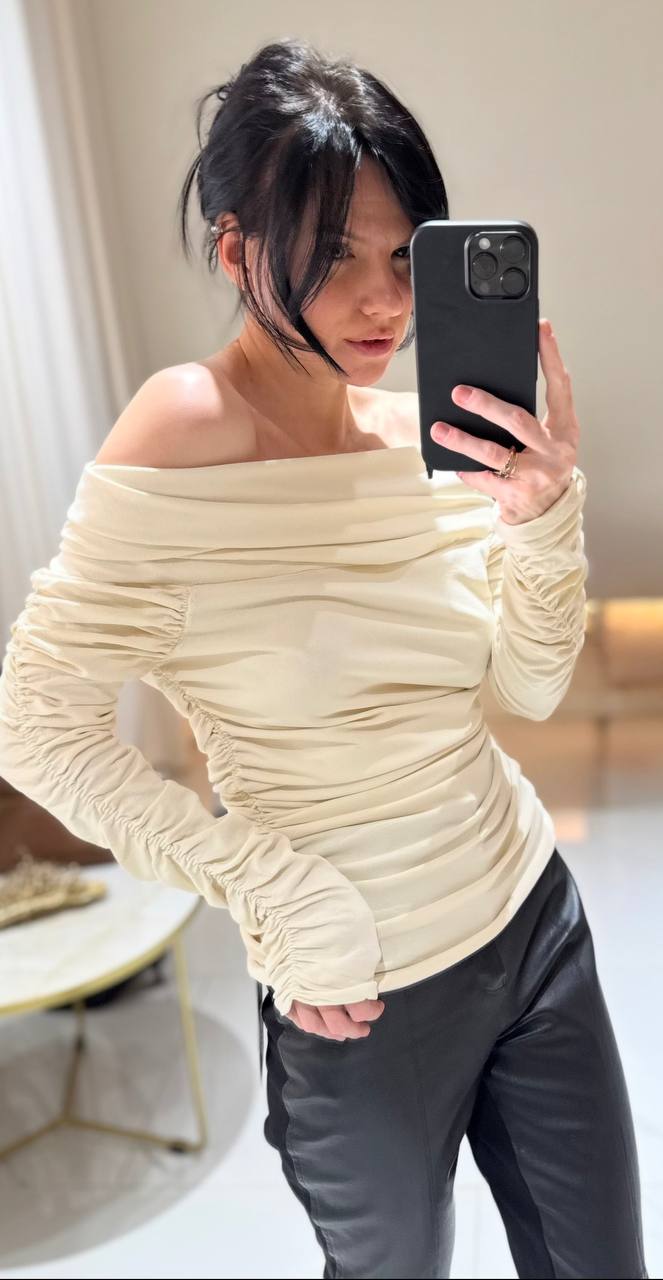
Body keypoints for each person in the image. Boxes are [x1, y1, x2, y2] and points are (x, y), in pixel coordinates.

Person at [0, 35, 647, 1280]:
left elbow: (526, 687)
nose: (383, 302)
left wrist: (542, 521)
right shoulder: (183, 429)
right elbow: (35, 723)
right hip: (359, 995)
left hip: (532, 922)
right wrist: (267, 887)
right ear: (237, 250)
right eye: (336, 255)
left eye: (405, 257)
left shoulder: (423, 434)